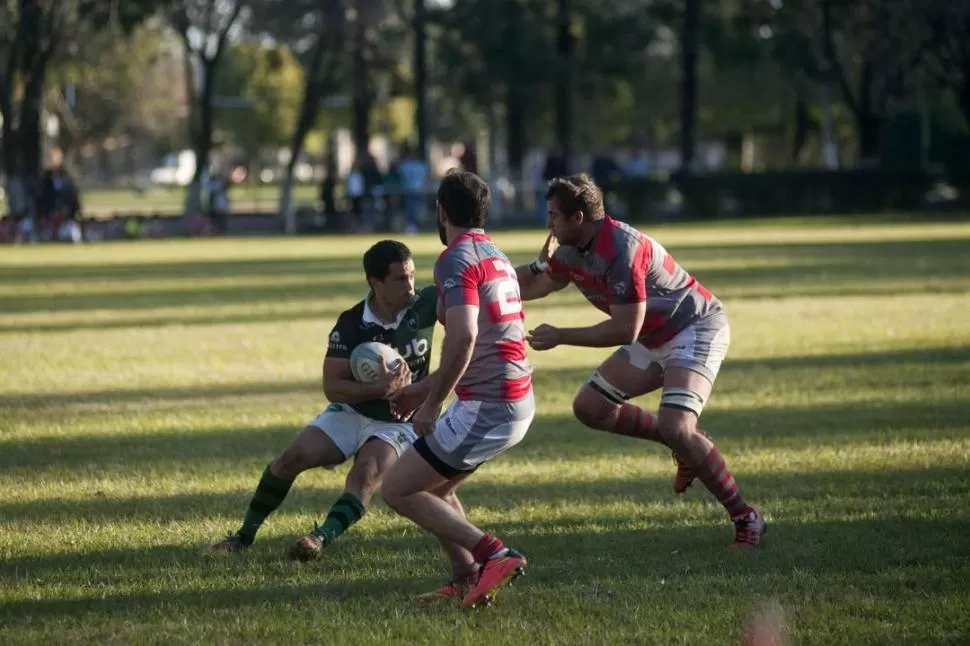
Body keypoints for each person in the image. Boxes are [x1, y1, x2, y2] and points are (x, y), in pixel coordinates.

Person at [516, 173, 766, 549]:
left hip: (694, 328)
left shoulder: (621, 249)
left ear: (577, 218)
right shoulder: (569, 250)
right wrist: (485, 289)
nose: (548, 223)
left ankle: (747, 517)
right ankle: (685, 445)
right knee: (590, 407)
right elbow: (535, 285)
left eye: (553, 215)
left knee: (676, 424)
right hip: (653, 335)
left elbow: (625, 329)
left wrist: (561, 335)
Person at [210, 240, 438, 559]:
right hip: (352, 411)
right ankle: (243, 537)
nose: (410, 286)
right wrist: (378, 388)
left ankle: (318, 539)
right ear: (375, 282)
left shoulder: (427, 304)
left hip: (398, 421)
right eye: (400, 279)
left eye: (412, 275)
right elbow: (332, 386)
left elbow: (469, 317)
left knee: (365, 475)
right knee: (289, 459)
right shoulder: (351, 324)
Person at [380, 170, 534, 608]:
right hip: (510, 398)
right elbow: (482, 344)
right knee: (437, 488)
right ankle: (466, 576)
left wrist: (432, 402)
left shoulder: (454, 258)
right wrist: (424, 389)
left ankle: (496, 556)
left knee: (397, 489)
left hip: (490, 404)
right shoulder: (495, 254)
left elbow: (464, 337)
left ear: (441, 212)